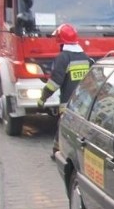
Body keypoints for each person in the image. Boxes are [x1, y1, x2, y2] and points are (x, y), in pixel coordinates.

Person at [37, 23, 93, 158]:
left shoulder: (63, 58)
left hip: (68, 103)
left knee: (63, 126)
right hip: (84, 102)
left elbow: (54, 83)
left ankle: (58, 151)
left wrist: (43, 98)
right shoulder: (85, 57)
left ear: (61, 41)